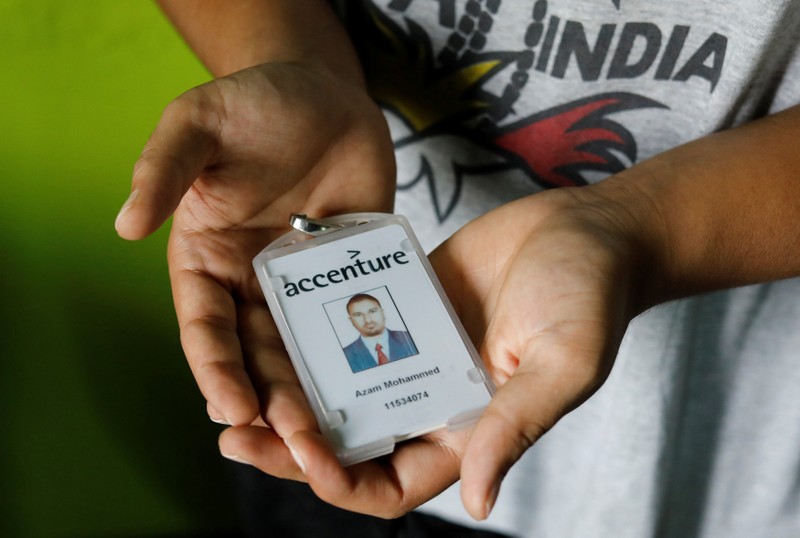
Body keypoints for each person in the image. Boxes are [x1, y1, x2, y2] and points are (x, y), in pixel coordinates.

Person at [114, 1, 800, 536]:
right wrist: (291, 58)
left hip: (730, 448)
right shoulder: (336, 354)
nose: (368, 313)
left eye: (368, 309)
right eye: (361, 312)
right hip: (311, 412)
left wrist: (644, 230)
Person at [342, 293, 418, 373]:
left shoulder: (410, 338)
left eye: (372, 311)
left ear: (382, 313)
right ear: (351, 321)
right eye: (358, 315)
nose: (368, 320)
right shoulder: (346, 355)